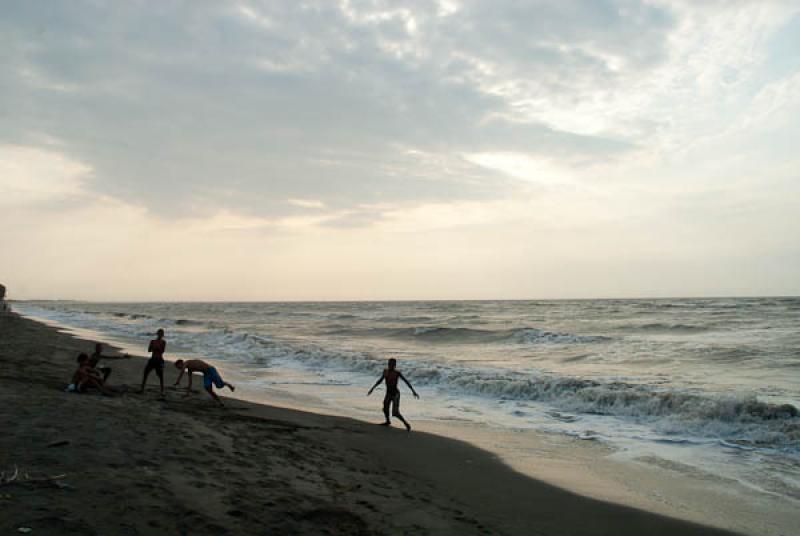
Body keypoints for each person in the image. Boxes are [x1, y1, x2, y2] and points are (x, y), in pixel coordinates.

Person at [367, 358, 419, 431]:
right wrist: (372, 388)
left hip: (395, 394)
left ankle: (406, 423)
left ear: (395, 365)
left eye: (392, 364)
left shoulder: (397, 373)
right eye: (389, 364)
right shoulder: (385, 371)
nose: (390, 366)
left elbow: (406, 381)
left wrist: (413, 391)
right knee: (385, 408)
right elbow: (380, 380)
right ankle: (388, 421)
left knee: (395, 413)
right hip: (388, 393)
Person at [139, 329, 166, 397]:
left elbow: (162, 351)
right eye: (159, 333)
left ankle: (162, 391)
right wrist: (153, 348)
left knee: (160, 376)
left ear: (162, 335)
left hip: (159, 359)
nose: (160, 335)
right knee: (145, 373)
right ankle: (142, 389)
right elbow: (149, 350)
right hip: (153, 359)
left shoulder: (163, 342)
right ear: (157, 334)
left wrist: (158, 348)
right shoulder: (152, 341)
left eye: (161, 334)